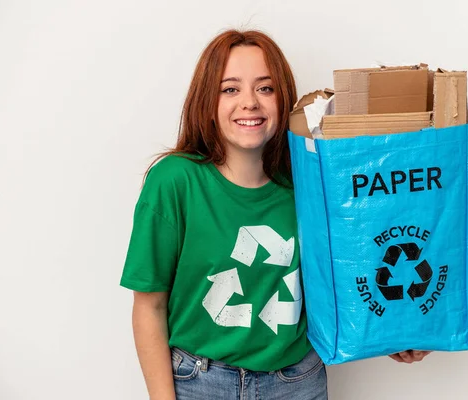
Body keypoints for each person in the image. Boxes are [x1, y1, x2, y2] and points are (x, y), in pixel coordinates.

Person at [120, 29, 429, 400]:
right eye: (230, 89)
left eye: (265, 88)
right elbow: (149, 305)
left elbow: (338, 282)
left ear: (283, 99)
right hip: (199, 383)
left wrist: (392, 333)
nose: (249, 102)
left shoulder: (311, 182)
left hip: (297, 382)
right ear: (207, 100)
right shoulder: (176, 181)